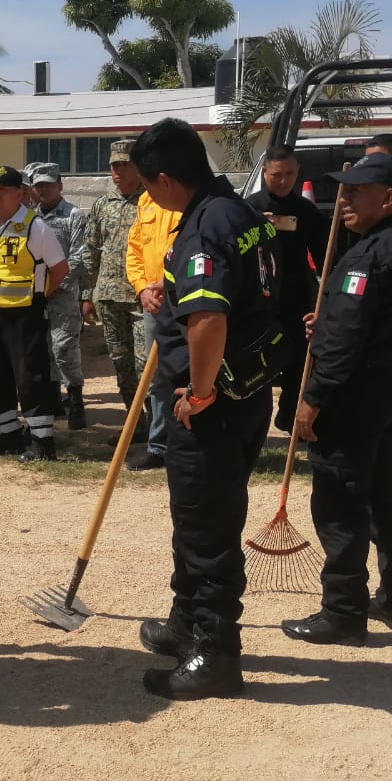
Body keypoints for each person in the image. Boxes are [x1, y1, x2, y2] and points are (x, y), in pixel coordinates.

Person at [134, 118, 279, 700]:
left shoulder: (201, 229)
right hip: (247, 393)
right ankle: (185, 622)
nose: (149, 197)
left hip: (214, 407)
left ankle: (215, 653)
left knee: (208, 529)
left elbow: (209, 318)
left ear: (167, 179)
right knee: (196, 519)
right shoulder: (240, 212)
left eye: (148, 186)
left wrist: (197, 391)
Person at [278, 156, 392, 645]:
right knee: (386, 499)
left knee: (340, 505)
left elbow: (347, 338)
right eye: (343, 191)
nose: (343, 201)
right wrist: (325, 321)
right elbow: (377, 323)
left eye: (356, 192)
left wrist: (312, 397)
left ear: (388, 198)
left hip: (354, 401)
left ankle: (343, 610)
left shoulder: (367, 257)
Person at [0, 165, 70, 461]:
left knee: (29, 378)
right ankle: (9, 435)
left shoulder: (34, 226)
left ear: (19, 193)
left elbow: (60, 269)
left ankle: (42, 442)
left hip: (24, 315)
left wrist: (39, 294)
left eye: (1, 189)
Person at [244, 144, 328, 433]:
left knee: (298, 364)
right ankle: (255, 425)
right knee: (258, 365)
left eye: (290, 174)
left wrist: (326, 298)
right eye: (276, 175)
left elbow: (325, 257)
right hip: (259, 301)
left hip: (296, 299)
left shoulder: (307, 212)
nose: (283, 181)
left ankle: (290, 418)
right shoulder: (248, 209)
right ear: (265, 172)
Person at [123, 151, 184, 472]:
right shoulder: (145, 202)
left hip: (189, 297)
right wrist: (142, 288)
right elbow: (134, 250)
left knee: (196, 371)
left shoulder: (187, 197)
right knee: (158, 376)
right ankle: (159, 446)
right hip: (155, 303)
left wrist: (169, 281)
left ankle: (195, 442)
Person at [81, 140, 146, 423]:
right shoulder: (102, 204)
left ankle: (159, 429)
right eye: (114, 165)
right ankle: (136, 424)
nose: (118, 171)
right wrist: (86, 295)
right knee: (122, 364)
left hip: (141, 297)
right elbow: (91, 250)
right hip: (108, 296)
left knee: (146, 366)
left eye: (125, 164)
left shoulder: (151, 201)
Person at [29, 163, 90, 430]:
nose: (43, 189)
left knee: (64, 349)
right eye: (39, 184)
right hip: (35, 295)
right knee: (43, 350)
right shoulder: (30, 217)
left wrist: (54, 283)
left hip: (63, 295)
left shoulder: (74, 215)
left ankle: (75, 402)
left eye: (48, 184)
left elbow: (79, 256)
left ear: (60, 186)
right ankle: (52, 401)